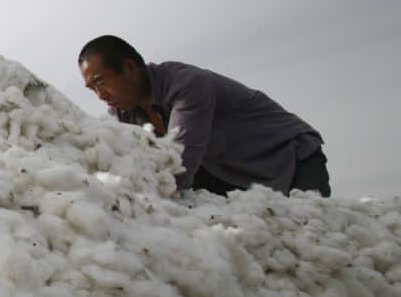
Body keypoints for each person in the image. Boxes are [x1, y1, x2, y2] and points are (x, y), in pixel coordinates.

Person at [77, 35, 330, 196]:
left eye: (101, 82)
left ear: (130, 68)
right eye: (92, 89)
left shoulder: (186, 85)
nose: (100, 95)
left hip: (288, 158)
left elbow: (181, 160)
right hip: (230, 173)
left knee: (312, 237)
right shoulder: (124, 112)